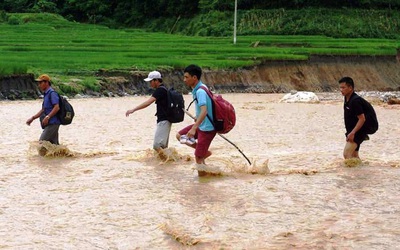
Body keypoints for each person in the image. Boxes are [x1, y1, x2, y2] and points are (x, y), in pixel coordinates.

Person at [176, 64, 217, 176]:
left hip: (207, 128)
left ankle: (203, 184)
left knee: (198, 158)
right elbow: (202, 111)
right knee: (180, 135)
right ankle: (204, 155)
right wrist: (197, 117)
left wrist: (194, 128)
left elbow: (205, 111)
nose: (184, 80)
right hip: (202, 124)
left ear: (194, 78)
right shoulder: (199, 88)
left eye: (186, 77)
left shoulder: (200, 91)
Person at [125, 71, 171, 155]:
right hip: (165, 120)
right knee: (162, 147)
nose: (150, 84)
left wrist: (133, 109)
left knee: (157, 146)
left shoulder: (160, 90)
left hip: (164, 120)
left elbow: (148, 102)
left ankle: (171, 160)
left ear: (156, 80)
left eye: (151, 81)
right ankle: (168, 163)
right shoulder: (163, 89)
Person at [339, 76, 376, 159]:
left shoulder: (355, 101)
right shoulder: (347, 98)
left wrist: (352, 133)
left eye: (343, 87)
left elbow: (362, 119)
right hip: (356, 127)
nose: (341, 90)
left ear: (350, 87)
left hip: (365, 126)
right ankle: (359, 171)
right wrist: (349, 132)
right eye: (340, 88)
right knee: (354, 155)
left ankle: (349, 171)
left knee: (346, 154)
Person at [26, 74, 61, 145]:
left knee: (41, 143)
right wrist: (32, 118)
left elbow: (57, 107)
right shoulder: (46, 94)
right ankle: (65, 155)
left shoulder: (52, 93)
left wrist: (48, 117)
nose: (39, 85)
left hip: (53, 123)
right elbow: (43, 110)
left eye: (40, 83)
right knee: (55, 146)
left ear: (46, 83)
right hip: (50, 123)